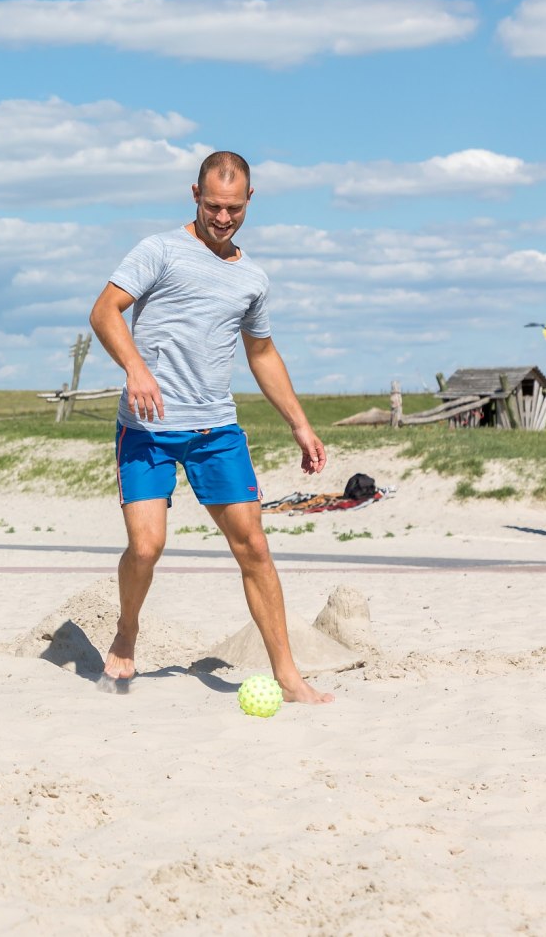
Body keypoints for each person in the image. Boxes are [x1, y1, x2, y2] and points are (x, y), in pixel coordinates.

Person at [87, 150, 333, 705]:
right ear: (194, 194)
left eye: (234, 208)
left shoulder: (252, 277)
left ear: (251, 201)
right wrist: (135, 368)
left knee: (254, 549)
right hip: (146, 429)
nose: (223, 218)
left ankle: (288, 675)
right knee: (146, 548)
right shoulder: (160, 251)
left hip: (215, 430)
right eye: (214, 206)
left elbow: (262, 353)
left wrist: (300, 424)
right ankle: (127, 631)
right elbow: (105, 311)